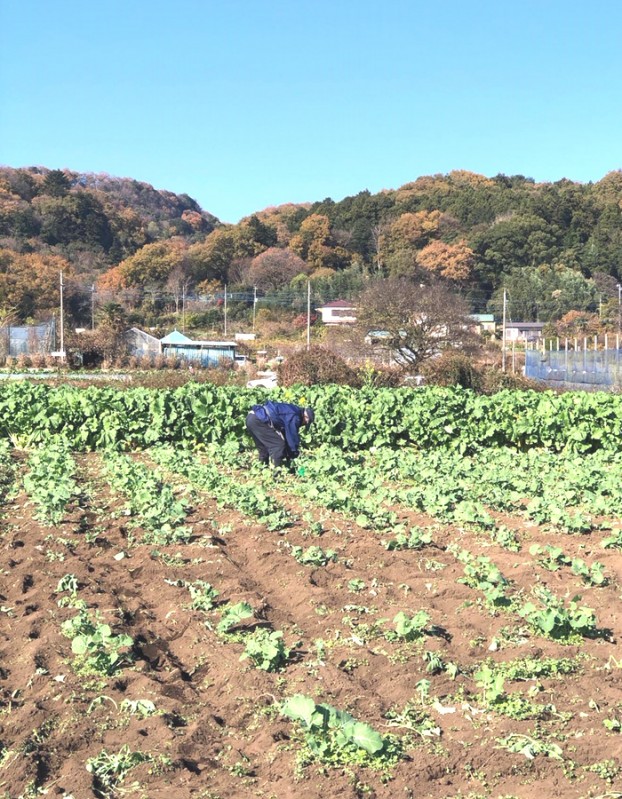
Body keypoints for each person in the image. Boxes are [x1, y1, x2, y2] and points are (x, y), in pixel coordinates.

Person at [246, 400, 314, 467]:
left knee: (264, 447)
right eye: (305, 423)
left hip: (251, 417)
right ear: (306, 418)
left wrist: (288, 452)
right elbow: (292, 437)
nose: (303, 425)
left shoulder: (293, 410)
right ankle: (276, 472)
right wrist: (294, 454)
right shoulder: (296, 417)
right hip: (259, 420)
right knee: (278, 446)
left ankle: (262, 468)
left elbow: (285, 433)